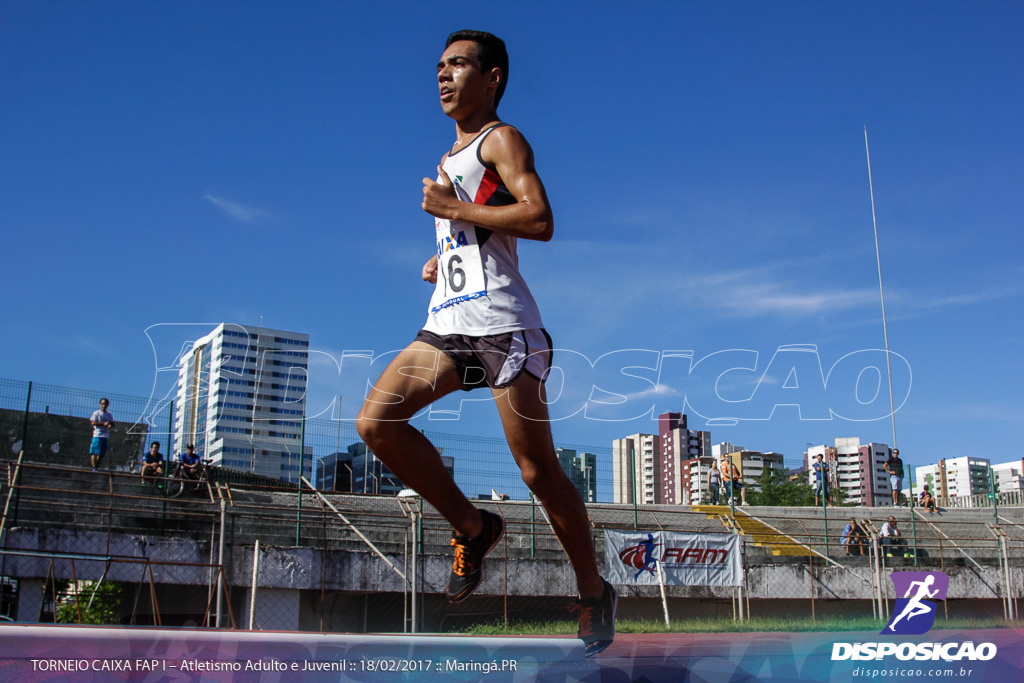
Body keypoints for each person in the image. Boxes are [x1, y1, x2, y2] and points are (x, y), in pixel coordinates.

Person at [355, 30, 615, 656]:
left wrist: (455, 211)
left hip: (504, 327)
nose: (443, 76)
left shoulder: (501, 139)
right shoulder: (448, 157)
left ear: (492, 77)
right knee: (375, 424)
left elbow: (540, 219)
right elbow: (478, 236)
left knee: (536, 469)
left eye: (459, 65)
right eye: (439, 67)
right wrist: (440, 255)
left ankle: (591, 592)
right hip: (448, 322)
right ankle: (473, 525)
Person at [88, 398, 113, 472]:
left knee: (101, 453)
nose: (104, 405)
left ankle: (96, 467)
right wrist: (103, 424)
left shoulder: (109, 415)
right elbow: (93, 422)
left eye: (105, 404)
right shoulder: (96, 413)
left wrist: (110, 425)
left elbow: (112, 423)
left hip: (105, 436)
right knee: (94, 452)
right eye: (102, 404)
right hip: (97, 435)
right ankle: (94, 467)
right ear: (100, 404)